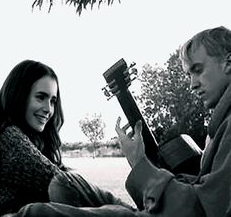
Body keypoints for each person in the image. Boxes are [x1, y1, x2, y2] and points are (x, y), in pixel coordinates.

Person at [12, 25, 231, 216]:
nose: (192, 84)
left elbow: (200, 209)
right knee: (66, 182)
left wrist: (140, 163)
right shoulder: (220, 126)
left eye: (198, 70)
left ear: (228, 62)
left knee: (36, 213)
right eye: (188, 74)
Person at [0, 60, 131, 217]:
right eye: (40, 97)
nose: (49, 109)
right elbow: (60, 181)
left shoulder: (29, 138)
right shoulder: (7, 137)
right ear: (18, 95)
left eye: (52, 101)